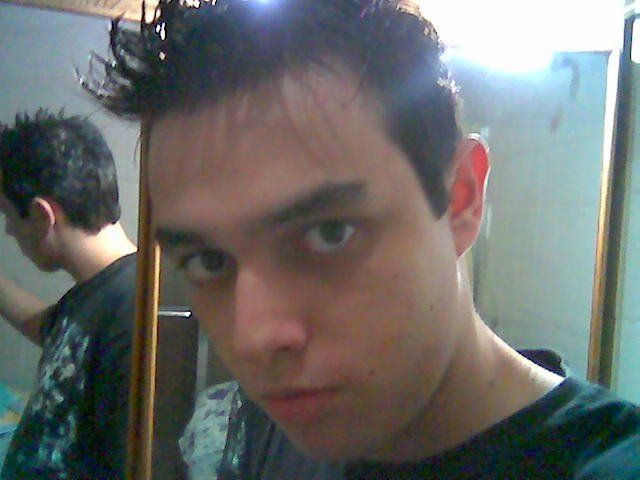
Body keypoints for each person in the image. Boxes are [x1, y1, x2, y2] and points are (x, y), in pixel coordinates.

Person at [85, 0, 640, 478]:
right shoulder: (274, 430)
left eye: (328, 234)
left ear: (462, 198)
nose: (255, 339)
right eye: (209, 261)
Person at [0, 109, 137, 479]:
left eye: (8, 216)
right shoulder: (97, 294)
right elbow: (49, 327)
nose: (9, 231)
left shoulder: (133, 314)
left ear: (42, 215)